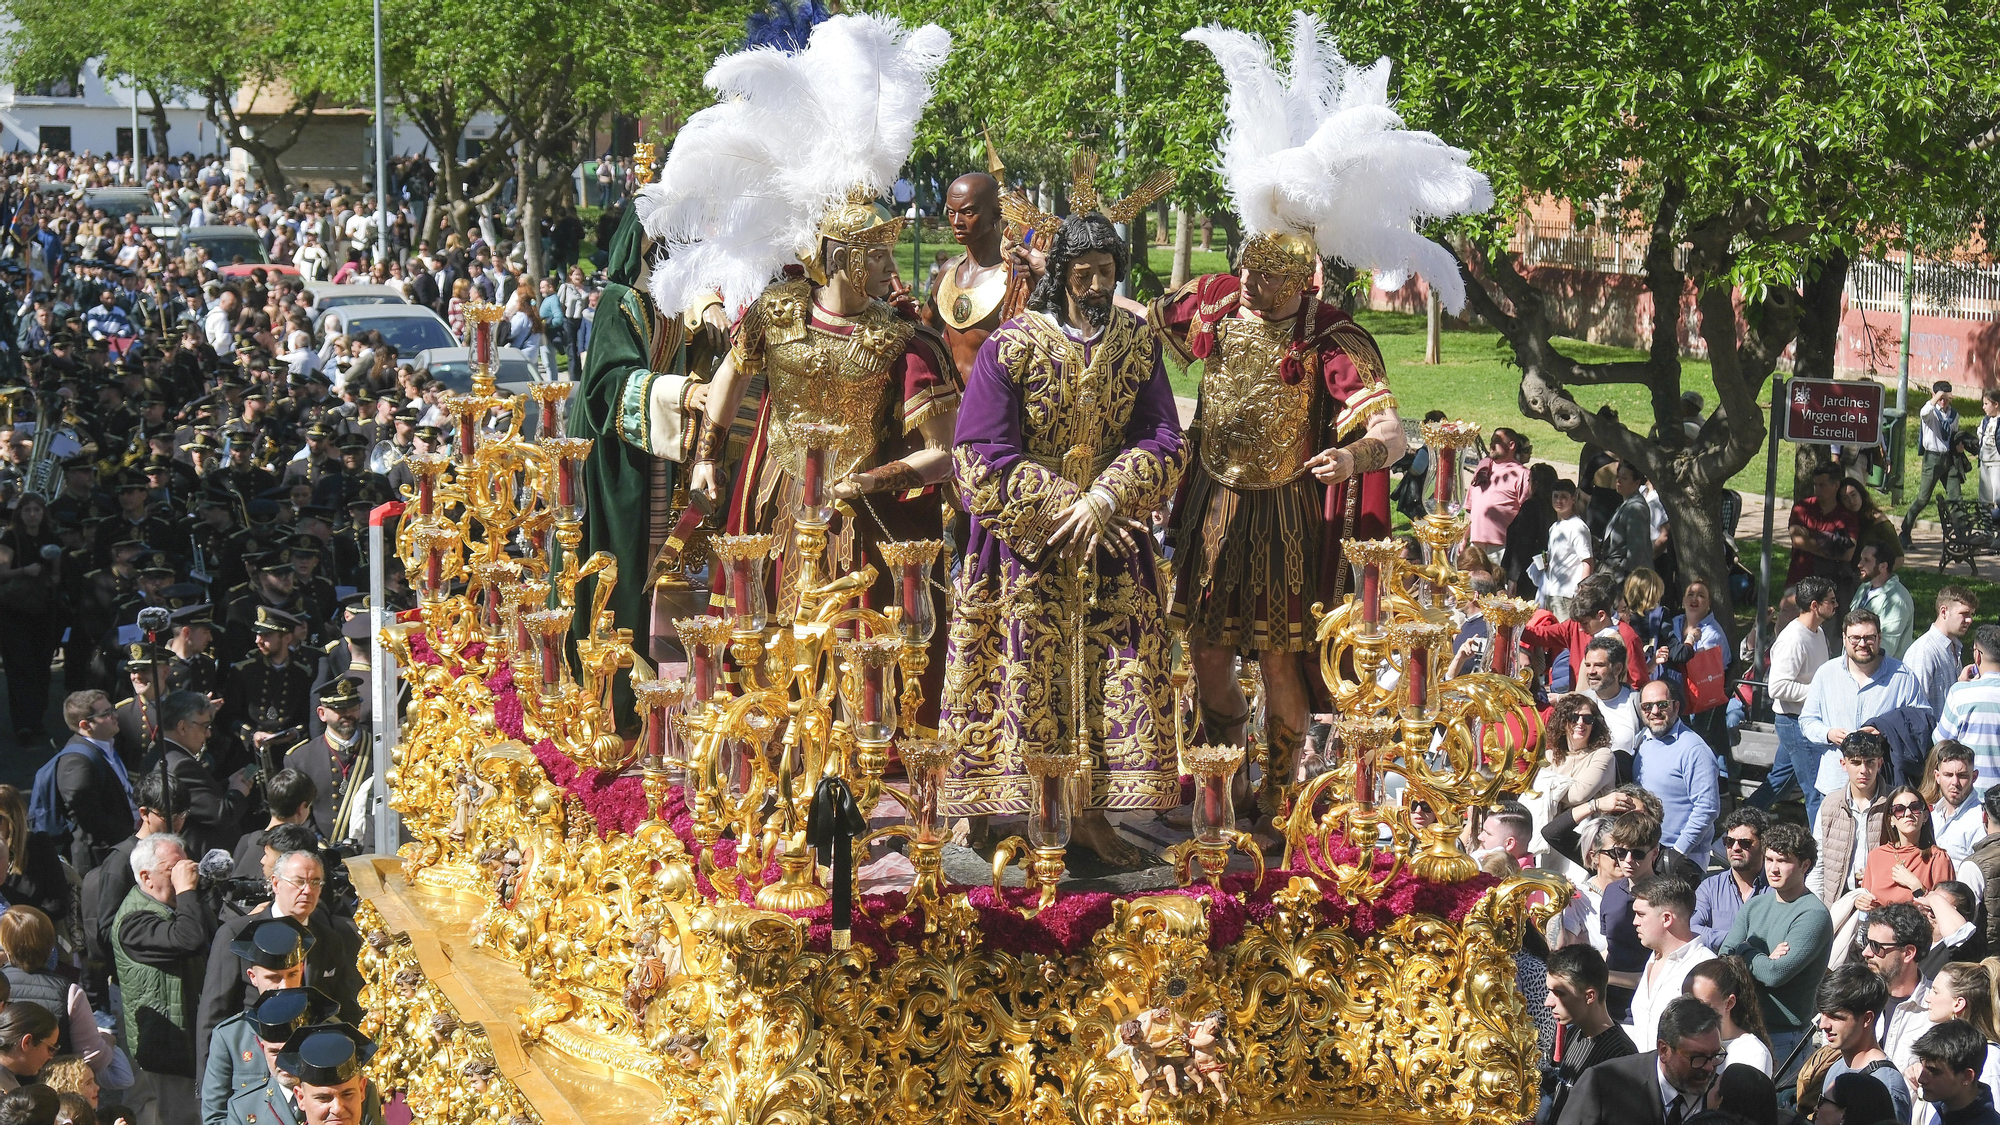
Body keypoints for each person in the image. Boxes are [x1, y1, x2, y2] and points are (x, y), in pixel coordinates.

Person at [937, 210, 1185, 865]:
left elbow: (1163, 435)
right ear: (1064, 276)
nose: (1098, 284)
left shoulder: (1136, 342)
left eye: (1108, 272)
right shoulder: (1012, 344)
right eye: (1086, 274)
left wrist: (1107, 496)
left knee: (1105, 674)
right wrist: (1055, 501)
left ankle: (1091, 815)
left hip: (1110, 534)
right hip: (1026, 545)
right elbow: (977, 449)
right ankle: (994, 813)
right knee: (1014, 677)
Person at [194, 850, 361, 1080]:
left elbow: (344, 1007)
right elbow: (213, 1015)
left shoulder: (330, 939)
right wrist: (208, 1087)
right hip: (253, 1070)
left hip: (312, 1070)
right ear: (275, 883)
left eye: (315, 882)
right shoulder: (237, 934)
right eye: (299, 882)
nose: (307, 890)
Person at [113, 832, 215, 1125]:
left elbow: (208, 933)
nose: (186, 876)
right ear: (146, 877)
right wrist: (186, 893)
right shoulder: (134, 922)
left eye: (187, 866)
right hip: (166, 1051)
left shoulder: (173, 907)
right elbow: (189, 939)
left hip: (185, 1042)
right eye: (175, 870)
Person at [1721, 821, 1835, 1082]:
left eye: (1783, 861)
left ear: (1805, 865)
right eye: (1769, 859)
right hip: (1742, 1029)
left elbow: (1775, 974)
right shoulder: (1756, 905)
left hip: (1784, 1037)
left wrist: (1747, 951)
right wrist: (1760, 955)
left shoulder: (1812, 915)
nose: (1773, 868)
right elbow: (1724, 958)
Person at [1801, 612, 1930, 810]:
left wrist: (1887, 730)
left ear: (1879, 637)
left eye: (1869, 637)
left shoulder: (1902, 676)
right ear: (1844, 638)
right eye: (1855, 638)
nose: (1862, 643)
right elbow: (1807, 720)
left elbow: (1922, 719)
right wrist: (1829, 734)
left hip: (1883, 788)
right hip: (1834, 785)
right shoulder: (1826, 673)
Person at [199, 919, 315, 1125]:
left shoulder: (322, 1027)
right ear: (253, 977)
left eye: (292, 975)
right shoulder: (230, 1037)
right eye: (273, 977)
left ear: (303, 968)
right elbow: (215, 1118)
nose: (285, 986)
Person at [1555, 995, 1723, 1125]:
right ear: (1664, 1050)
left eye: (1715, 1055)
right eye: (1698, 1057)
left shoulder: (1724, 1094)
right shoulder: (1604, 1084)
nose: (1709, 1068)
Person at [1753, 577, 1839, 817]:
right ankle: (1820, 852)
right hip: (1794, 724)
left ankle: (1740, 821)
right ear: (1814, 605)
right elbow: (1777, 688)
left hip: (1804, 721)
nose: (1836, 605)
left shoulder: (1817, 632)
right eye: (1830, 601)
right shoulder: (1793, 639)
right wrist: (1819, 691)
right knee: (1815, 793)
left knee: (1779, 783)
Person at [0, 908, 117, 1084]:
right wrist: (108, 1042)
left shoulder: (3, 984)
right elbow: (92, 1057)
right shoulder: (69, 992)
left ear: (6, 947)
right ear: (50, 946)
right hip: (56, 1094)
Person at [921, 171, 1015, 378]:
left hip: (993, 400)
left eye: (968, 212)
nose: (957, 222)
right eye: (951, 212)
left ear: (996, 213)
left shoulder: (1015, 275)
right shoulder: (948, 270)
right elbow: (926, 327)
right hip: (949, 401)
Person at [139, 691, 251, 859]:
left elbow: (199, 799)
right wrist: (238, 792)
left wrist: (227, 783)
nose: (208, 734)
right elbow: (221, 815)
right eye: (204, 726)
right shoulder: (181, 765)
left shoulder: (157, 754)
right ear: (182, 727)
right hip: (197, 857)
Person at [1542, 944, 1637, 1124]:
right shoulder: (1574, 1033)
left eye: (1558, 993)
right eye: (1549, 991)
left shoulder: (1621, 1057)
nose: (1548, 1002)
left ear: (1589, 996)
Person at [45, 691, 136, 876]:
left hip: (119, 849)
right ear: (85, 725)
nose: (114, 716)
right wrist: (133, 838)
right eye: (105, 714)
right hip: (101, 861)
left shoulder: (107, 745)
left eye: (112, 709)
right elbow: (89, 819)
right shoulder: (76, 762)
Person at [1635, 679, 1722, 863]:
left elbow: (1707, 809)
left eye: (1662, 704)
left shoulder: (1694, 749)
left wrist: (1678, 851)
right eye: (1647, 706)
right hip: (1644, 850)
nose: (1655, 712)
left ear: (1675, 706)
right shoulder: (1641, 740)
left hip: (1680, 856)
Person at [1629, 877, 1718, 1053]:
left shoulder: (1704, 967)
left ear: (1667, 918)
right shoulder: (1653, 957)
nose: (1635, 922)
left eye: (1641, 914)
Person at [1816, 963, 1913, 1124]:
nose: (1823, 1024)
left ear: (1867, 1018)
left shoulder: (1886, 1085)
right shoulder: (1837, 1067)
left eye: (1836, 1017)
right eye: (1822, 1014)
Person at [1812, 731, 1895, 905]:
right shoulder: (1830, 805)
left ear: (1879, 764)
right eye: (1855, 763)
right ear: (1844, 764)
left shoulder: (1896, 802)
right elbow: (1817, 863)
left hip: (1881, 902)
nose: (1863, 770)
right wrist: (1817, 910)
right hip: (1838, 899)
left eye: (1870, 763)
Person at [282, 679, 368, 846]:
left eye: (353, 707)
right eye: (339, 710)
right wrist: (319, 844)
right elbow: (296, 814)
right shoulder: (300, 757)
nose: (347, 715)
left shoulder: (378, 749)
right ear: (322, 713)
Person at [1860, 785, 1961, 911]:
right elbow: (1866, 897)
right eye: (1899, 809)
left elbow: (1947, 912)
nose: (1908, 814)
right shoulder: (1876, 856)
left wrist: (1916, 887)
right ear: (1891, 819)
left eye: (1915, 807)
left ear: (1924, 816)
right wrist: (1861, 902)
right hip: (1879, 928)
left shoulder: (1938, 858)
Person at [1862, 903, 1935, 1073]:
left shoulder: (1935, 1012)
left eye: (1876, 946)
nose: (1866, 952)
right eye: (1866, 942)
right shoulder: (1858, 997)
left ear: (1908, 953)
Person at [1692, 809, 1773, 952]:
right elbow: (1692, 930)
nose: (1735, 848)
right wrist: (1738, 941)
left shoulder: (1776, 890)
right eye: (1729, 841)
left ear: (1764, 845)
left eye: (1745, 843)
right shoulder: (1710, 887)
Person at [1685, 958, 1774, 1076]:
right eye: (1686, 1003)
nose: (1691, 1012)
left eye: (1703, 1006)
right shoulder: (1682, 1040)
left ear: (1729, 1003)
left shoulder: (1753, 1053)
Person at [1904, 381, 1966, 550]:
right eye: (1940, 398)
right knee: (1923, 499)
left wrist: (1958, 446)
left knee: (1956, 498)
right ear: (1934, 396)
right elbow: (1924, 412)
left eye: (1946, 398)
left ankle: (1961, 538)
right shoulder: (1930, 412)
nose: (1943, 402)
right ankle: (1904, 531)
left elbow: (1952, 435)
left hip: (1949, 459)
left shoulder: (1954, 415)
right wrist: (1938, 396)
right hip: (1932, 459)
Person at [1541, 692, 1619, 823]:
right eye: (1573, 717)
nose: (1580, 723)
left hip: (1589, 834)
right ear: (1562, 722)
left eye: (1588, 719)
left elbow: (1578, 795)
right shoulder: (1549, 756)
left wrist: (1549, 790)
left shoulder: (1603, 755)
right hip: (1552, 831)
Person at [1937, 627, 2000, 787]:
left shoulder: (1960, 694)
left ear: (1977, 655)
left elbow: (1940, 741)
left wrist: (1960, 684)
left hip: (1971, 793)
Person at [1904, 589, 1979, 719]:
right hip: (1932, 737)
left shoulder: (1954, 646)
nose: (1970, 620)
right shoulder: (1923, 652)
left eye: (1971, 614)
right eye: (1964, 614)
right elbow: (1914, 712)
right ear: (1944, 612)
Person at [1911, 1020, 2000, 1125]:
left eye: (1934, 1071)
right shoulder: (1944, 1110)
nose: (1921, 1079)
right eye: (1923, 1066)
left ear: (1966, 1076)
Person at [1468, 427, 1531, 562]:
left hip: (1503, 547)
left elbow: (1527, 515)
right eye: (1491, 440)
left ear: (1511, 445)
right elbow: (1470, 508)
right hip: (1475, 546)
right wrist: (1463, 539)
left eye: (1497, 441)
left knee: (1498, 583)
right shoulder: (1482, 470)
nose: (1491, 445)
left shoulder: (1522, 474)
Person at [1578, 636, 1646, 755]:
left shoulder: (1638, 703)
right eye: (1588, 665)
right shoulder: (1579, 703)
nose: (1591, 671)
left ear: (1617, 669)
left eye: (1599, 665)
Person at [1543, 479, 1596, 619]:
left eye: (1564, 497)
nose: (1559, 501)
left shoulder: (1577, 527)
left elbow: (1587, 561)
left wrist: (1581, 592)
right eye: (1555, 496)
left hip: (1568, 595)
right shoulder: (1554, 527)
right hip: (1552, 591)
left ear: (1573, 499)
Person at [1853, 546, 1918, 659]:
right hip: (1856, 665)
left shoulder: (1897, 600)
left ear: (1883, 566)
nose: (1859, 564)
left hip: (1880, 672)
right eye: (1861, 559)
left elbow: (1886, 647)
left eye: (1866, 560)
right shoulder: (1865, 587)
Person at [1916, 885, 1988, 980]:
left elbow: (1960, 934)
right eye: (1928, 907)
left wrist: (1935, 899)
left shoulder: (1962, 950)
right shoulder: (1917, 940)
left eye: (1936, 910)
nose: (1929, 914)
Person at [1932, 743, 1988, 864]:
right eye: (1948, 775)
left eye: (1962, 776)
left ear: (1974, 777)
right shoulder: (1933, 815)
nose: (1955, 782)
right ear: (1937, 776)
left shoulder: (1980, 822)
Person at [1601, 461, 1655, 584]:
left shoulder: (1636, 509)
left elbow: (1636, 551)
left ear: (1636, 483)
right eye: (1618, 477)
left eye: (1624, 478)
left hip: (1629, 579)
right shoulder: (1626, 503)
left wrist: (1628, 580)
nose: (1618, 481)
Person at [1977, 391, 2000, 519]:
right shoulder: (1985, 421)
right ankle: (1987, 531)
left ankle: (1998, 532)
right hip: (1985, 463)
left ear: (1996, 404)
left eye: (1986, 404)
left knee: (1998, 498)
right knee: (1985, 499)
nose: (1983, 407)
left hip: (1997, 464)